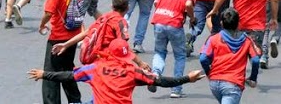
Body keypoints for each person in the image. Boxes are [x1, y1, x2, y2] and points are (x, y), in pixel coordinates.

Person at [30, 38, 204, 102]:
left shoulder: (95, 68)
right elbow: (161, 81)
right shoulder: (132, 71)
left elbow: (68, 76)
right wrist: (187, 78)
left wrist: (45, 74)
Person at [39, 0, 85, 104]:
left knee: (50, 74)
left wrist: (41, 25)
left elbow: (48, 12)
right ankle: (75, 100)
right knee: (67, 70)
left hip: (58, 38)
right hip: (73, 37)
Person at [149, 0, 198, 98]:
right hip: (174, 23)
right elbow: (188, 5)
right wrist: (192, 18)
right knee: (180, 55)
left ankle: (154, 76)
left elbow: (156, 2)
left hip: (159, 20)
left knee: (159, 52)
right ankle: (176, 89)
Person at [199, 8, 261, 104]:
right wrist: (253, 78)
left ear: (221, 23)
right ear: (238, 24)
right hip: (233, 84)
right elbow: (256, 60)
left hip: (214, 83)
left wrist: (209, 73)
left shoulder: (213, 39)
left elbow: (203, 58)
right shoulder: (247, 40)